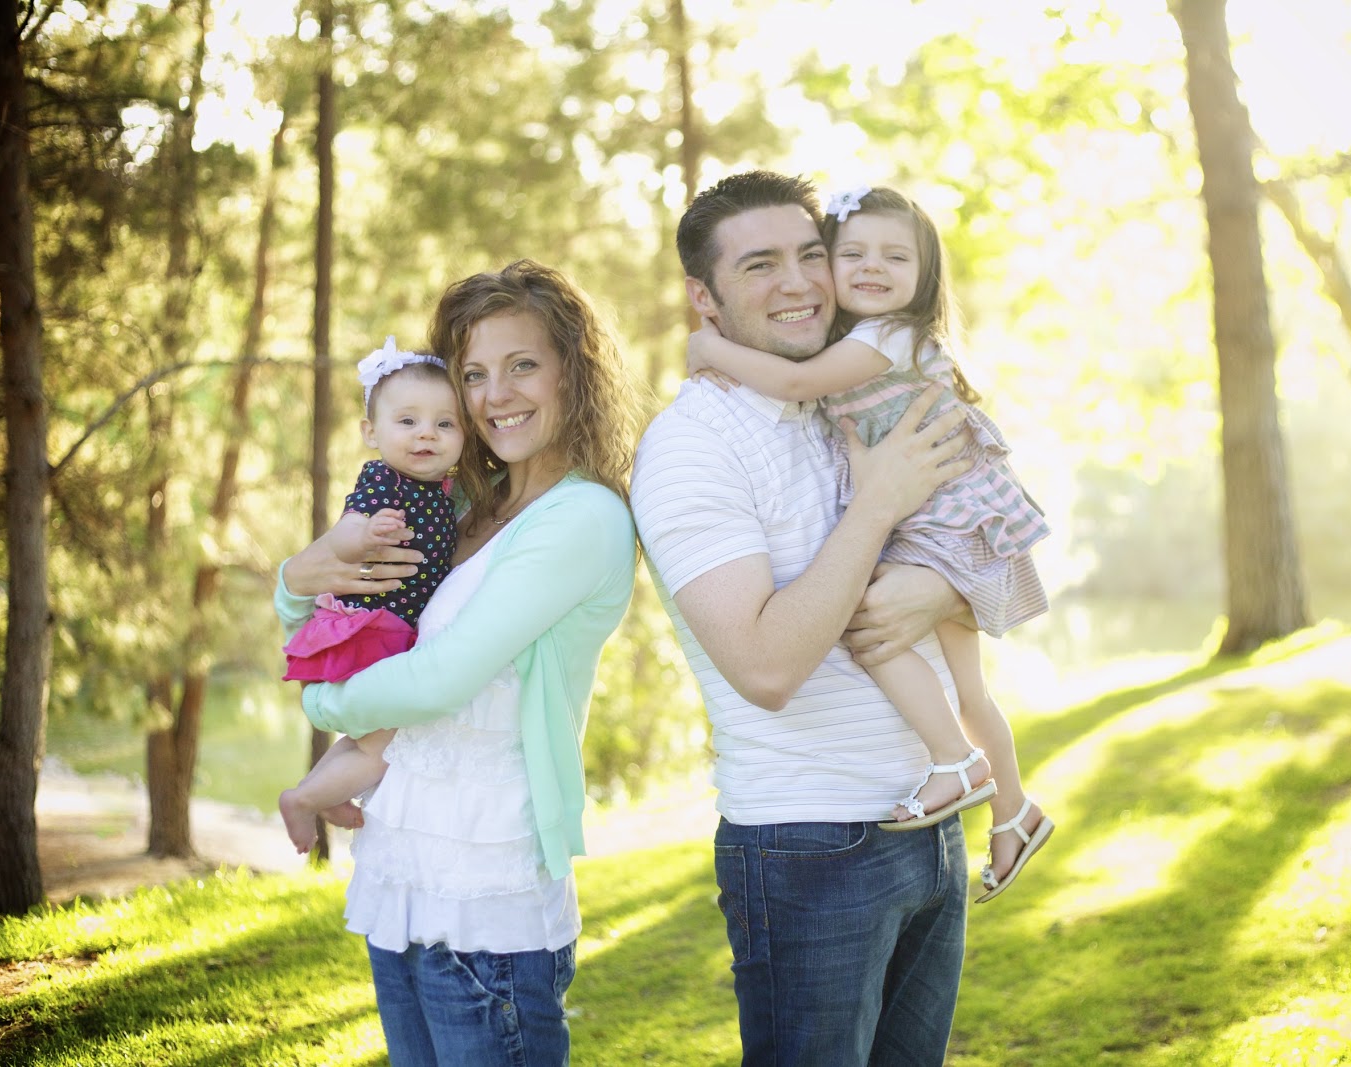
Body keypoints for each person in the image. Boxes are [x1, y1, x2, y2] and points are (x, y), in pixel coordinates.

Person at [631, 170, 981, 1066]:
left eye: (809, 255)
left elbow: (975, 540)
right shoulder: (691, 446)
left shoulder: (845, 398)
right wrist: (876, 508)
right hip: (810, 847)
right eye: (760, 266)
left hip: (925, 822)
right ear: (703, 298)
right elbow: (765, 668)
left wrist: (939, 586)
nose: (798, 282)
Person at [274, 259, 640, 1066]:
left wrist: (323, 704)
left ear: (573, 374)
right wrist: (294, 578)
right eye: (473, 373)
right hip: (404, 867)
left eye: (522, 366)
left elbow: (442, 678)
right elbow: (343, 604)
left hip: (490, 890)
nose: (495, 393)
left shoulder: (583, 515)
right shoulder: (467, 509)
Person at [684, 184, 1054, 902]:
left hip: (938, 515)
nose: (871, 267)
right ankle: (1013, 809)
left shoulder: (884, 338)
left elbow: (793, 381)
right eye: (851, 253)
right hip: (938, 511)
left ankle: (955, 760)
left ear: (926, 272)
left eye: (894, 255)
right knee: (969, 686)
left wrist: (711, 347)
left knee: (873, 630)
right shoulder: (858, 339)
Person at [278, 338, 464, 854]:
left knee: (370, 738)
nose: (426, 432)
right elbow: (343, 535)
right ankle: (302, 800)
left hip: (392, 632)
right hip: (371, 629)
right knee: (383, 747)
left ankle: (326, 795)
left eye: (444, 424)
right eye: (407, 421)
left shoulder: (445, 490)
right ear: (371, 433)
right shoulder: (384, 480)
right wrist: (363, 537)